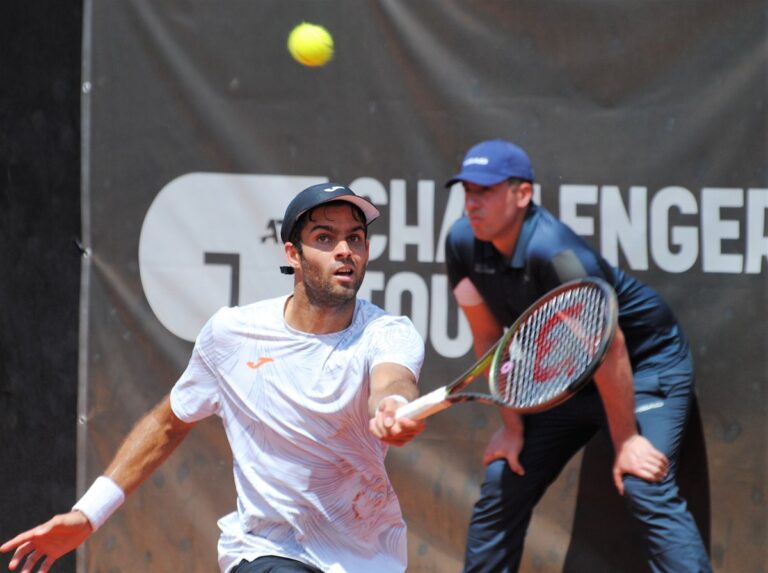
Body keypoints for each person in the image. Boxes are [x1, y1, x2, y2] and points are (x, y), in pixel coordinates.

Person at [1, 183, 426, 573]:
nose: (344, 250)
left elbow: (392, 383)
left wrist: (393, 407)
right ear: (293, 254)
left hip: (368, 557)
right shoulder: (233, 335)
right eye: (324, 238)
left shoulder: (387, 333)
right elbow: (168, 424)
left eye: (355, 238)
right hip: (266, 551)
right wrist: (88, 513)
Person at [444, 139, 712, 573]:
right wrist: (512, 427)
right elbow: (490, 337)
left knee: (644, 482)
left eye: (485, 191)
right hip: (565, 377)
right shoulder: (461, 242)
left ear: (522, 194)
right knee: (503, 481)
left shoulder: (555, 252)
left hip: (643, 365)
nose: (472, 203)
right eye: (467, 191)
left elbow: (609, 348)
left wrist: (627, 441)